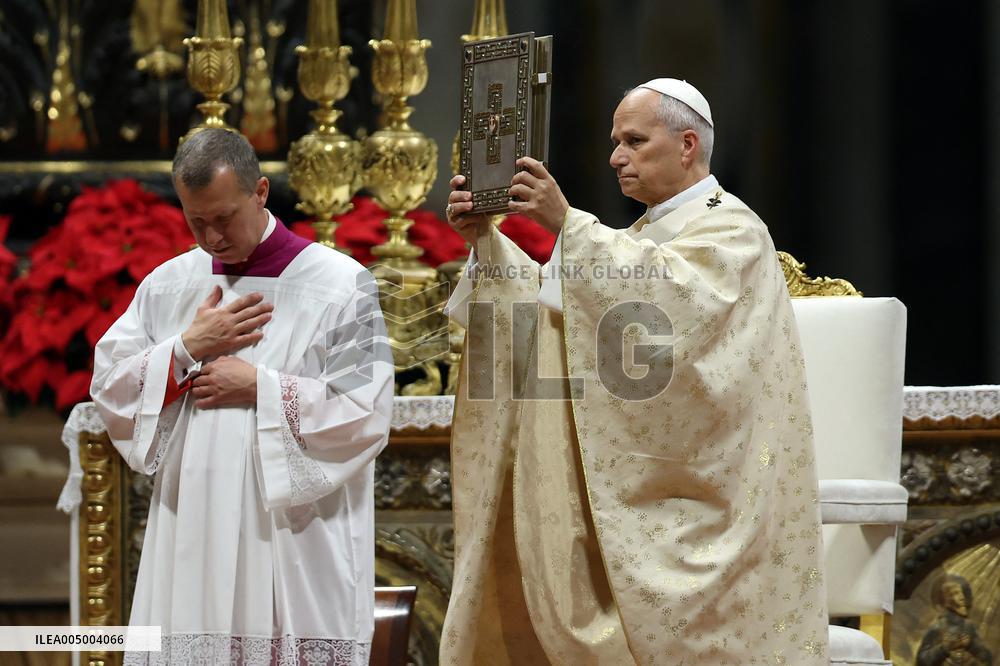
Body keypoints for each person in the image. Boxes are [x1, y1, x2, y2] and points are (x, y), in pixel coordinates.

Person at [441, 78, 829, 664]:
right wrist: (487, 242)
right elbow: (551, 310)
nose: (615, 156)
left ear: (687, 144)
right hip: (631, 487)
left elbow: (665, 322)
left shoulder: (735, 232)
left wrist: (567, 224)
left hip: (708, 496)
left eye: (633, 140)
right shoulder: (641, 237)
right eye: (614, 141)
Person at [90, 128, 394, 665]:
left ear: (260, 193)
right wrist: (185, 349)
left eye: (223, 217)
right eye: (196, 221)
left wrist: (260, 386)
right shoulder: (168, 286)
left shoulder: (341, 285)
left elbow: (364, 410)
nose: (211, 237)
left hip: (292, 532)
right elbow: (111, 390)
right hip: (194, 519)